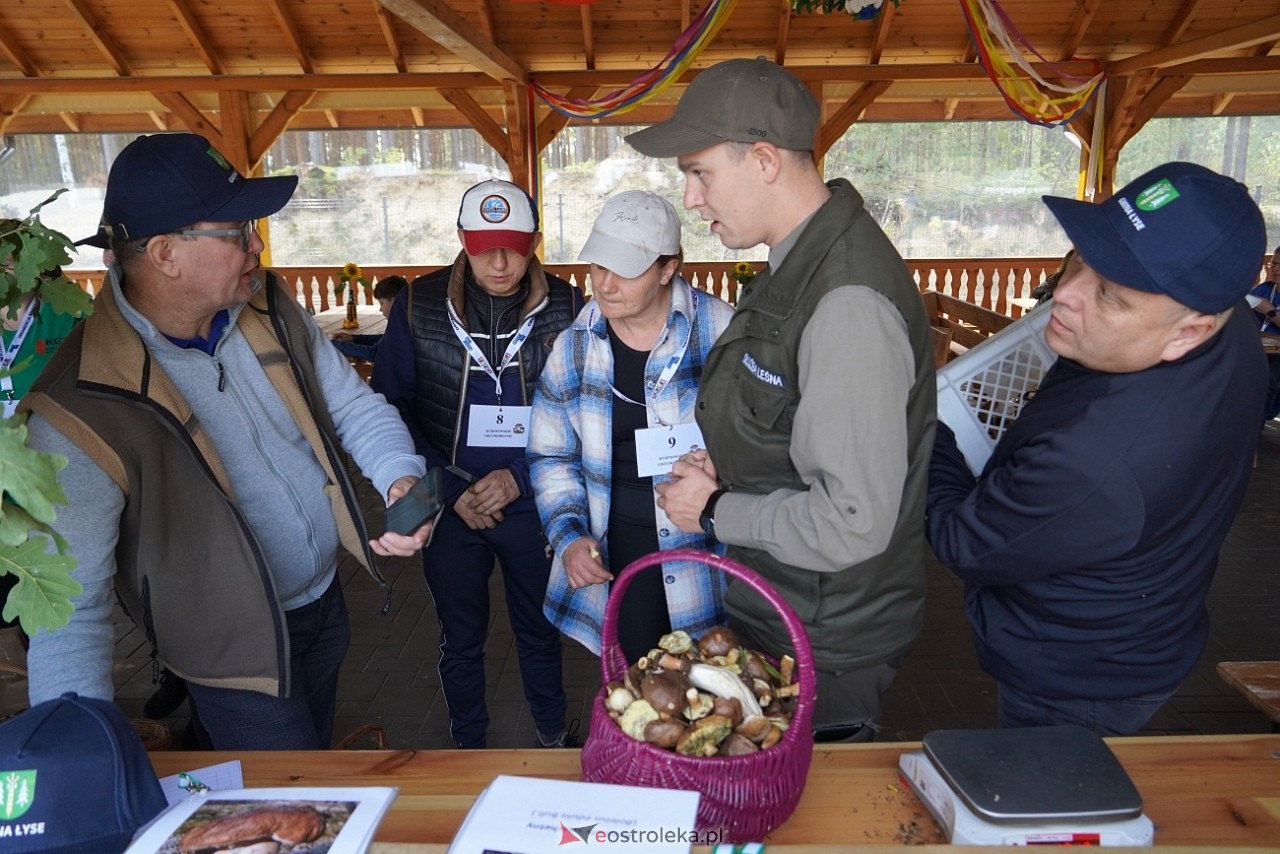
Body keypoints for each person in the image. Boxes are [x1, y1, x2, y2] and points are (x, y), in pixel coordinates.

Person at [19, 132, 433, 750]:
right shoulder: (81, 404)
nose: (256, 244)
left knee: (308, 765)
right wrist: (74, 755)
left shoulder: (267, 306)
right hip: (228, 649)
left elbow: (352, 406)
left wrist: (398, 473)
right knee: (287, 808)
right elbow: (71, 605)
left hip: (321, 603)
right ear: (165, 253)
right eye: (237, 230)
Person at [637, 57, 937, 743]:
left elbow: (852, 521)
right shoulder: (799, 262)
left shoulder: (846, 303)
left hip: (825, 639)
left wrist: (714, 509)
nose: (690, 198)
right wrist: (735, 471)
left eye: (699, 172)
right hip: (788, 609)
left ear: (765, 160)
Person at [926, 162, 1268, 736]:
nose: (1063, 295)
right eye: (1082, 258)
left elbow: (964, 541)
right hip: (1152, 616)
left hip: (1078, 677)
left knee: (1055, 804)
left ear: (1189, 332)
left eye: (1110, 294)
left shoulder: (1098, 460)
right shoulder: (1224, 321)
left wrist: (925, 434)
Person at [372, 179, 583, 749]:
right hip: (448, 502)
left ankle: (550, 735)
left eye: (513, 244)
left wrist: (516, 478)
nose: (498, 260)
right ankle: (468, 743)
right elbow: (390, 407)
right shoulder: (418, 304)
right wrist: (445, 487)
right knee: (459, 636)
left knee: (540, 630)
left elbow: (583, 412)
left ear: (535, 240)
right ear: (462, 238)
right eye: (484, 243)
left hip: (533, 498)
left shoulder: (568, 305)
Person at [528, 190, 734, 663]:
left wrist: (726, 467)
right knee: (638, 689)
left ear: (668, 268)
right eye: (599, 265)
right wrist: (569, 536)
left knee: (714, 684)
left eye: (626, 269)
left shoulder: (721, 332)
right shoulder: (576, 346)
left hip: (708, 545)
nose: (605, 283)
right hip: (617, 548)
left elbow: (767, 441)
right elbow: (550, 455)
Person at [330, 274, 408, 361]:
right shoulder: (405, 321)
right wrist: (354, 338)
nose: (380, 309)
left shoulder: (400, 326)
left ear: (394, 301)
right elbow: (384, 339)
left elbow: (373, 353)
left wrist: (337, 345)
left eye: (382, 303)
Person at [1246, 245, 1280, 423]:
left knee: (1268, 379)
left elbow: (1267, 310)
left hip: (1276, 354)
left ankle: (1255, 426)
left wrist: (1270, 311)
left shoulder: (1267, 299)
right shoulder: (1265, 289)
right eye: (1273, 263)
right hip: (1257, 347)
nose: (1275, 269)